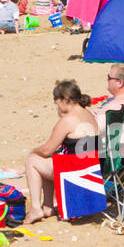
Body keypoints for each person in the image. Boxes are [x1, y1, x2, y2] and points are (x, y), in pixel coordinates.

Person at [24, 80, 100, 224]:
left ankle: (35, 209)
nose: (56, 106)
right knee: (49, 160)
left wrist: (33, 150)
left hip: (75, 173)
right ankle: (47, 206)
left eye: (57, 102)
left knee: (33, 159)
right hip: (90, 169)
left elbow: (47, 149)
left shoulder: (69, 120)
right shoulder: (88, 114)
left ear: (65, 100)